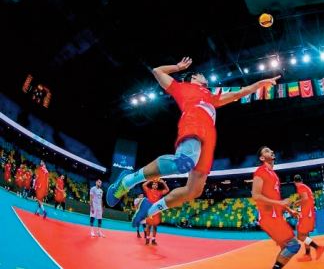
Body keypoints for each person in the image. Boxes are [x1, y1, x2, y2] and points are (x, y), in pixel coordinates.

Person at [106, 57, 280, 227]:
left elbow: (239, 93)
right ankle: (126, 181)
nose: (204, 76)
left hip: (209, 138)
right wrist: (177, 67)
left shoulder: (212, 96)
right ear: (193, 78)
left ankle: (150, 209)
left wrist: (259, 85)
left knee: (193, 191)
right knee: (183, 162)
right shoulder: (182, 88)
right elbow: (157, 71)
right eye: (201, 75)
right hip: (193, 123)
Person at [251, 146, 301, 269]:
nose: (271, 151)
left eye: (271, 150)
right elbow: (256, 195)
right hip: (268, 217)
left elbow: (276, 199)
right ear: (262, 158)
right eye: (267, 151)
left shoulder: (273, 174)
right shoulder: (260, 171)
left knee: (287, 247)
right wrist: (280, 204)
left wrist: (289, 210)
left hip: (276, 215)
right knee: (293, 245)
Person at [293, 174, 324, 262]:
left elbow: (305, 198)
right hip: (308, 213)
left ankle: (318, 248)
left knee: (300, 236)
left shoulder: (300, 187)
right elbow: (307, 198)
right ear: (301, 180)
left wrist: (297, 202)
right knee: (305, 235)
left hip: (307, 214)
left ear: (294, 182)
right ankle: (308, 255)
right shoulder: (305, 187)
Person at [142, 179, 170, 245]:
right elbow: (143, 185)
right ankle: (147, 239)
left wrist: (163, 183)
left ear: (157, 186)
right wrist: (150, 180)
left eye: (156, 184)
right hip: (149, 210)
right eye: (154, 184)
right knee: (148, 225)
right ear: (152, 185)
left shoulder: (159, 192)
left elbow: (167, 190)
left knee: (155, 226)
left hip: (156, 210)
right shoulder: (148, 190)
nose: (155, 185)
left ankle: (153, 240)